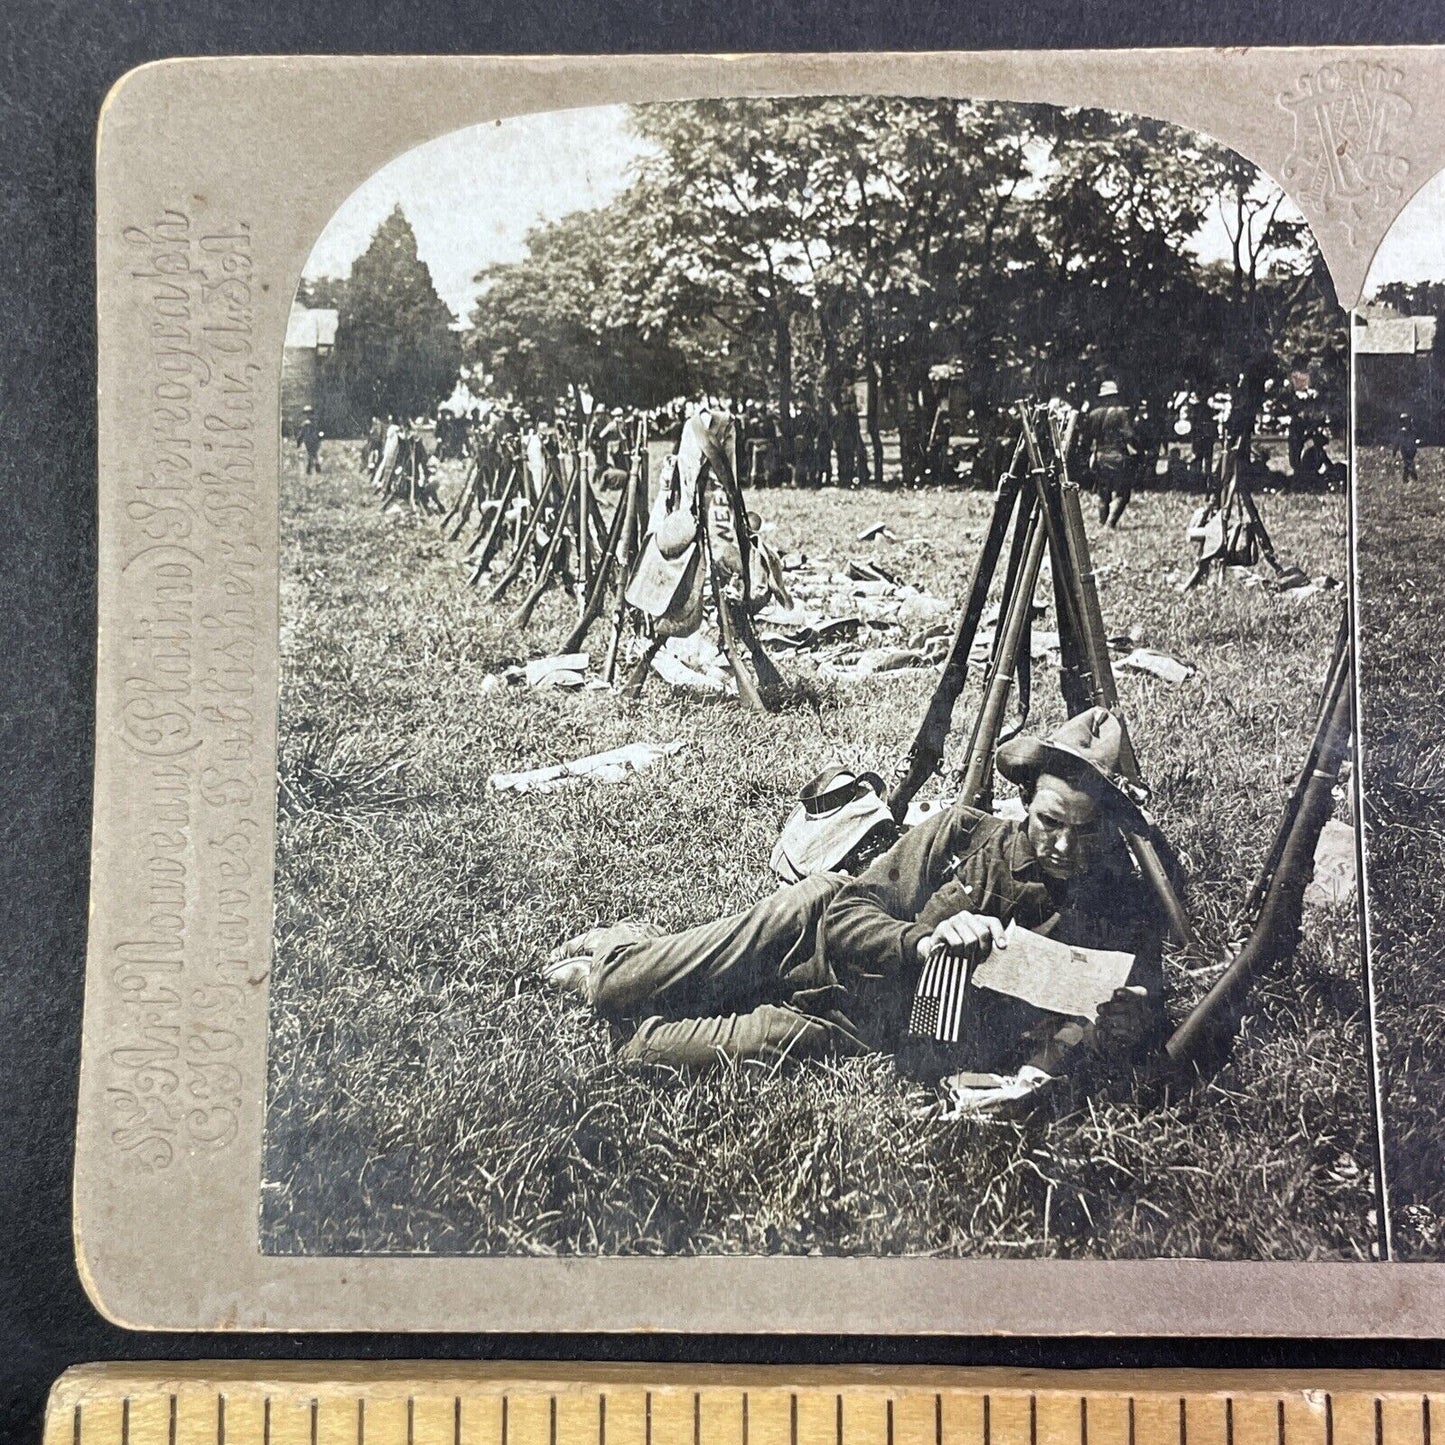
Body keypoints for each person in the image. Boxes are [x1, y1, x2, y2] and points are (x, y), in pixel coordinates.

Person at [542, 708, 1166, 1081]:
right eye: (1049, 822)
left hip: (848, 1021)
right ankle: (620, 950)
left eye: (1085, 834)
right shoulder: (962, 834)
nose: (1062, 847)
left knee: (644, 1053)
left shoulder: (1120, 912)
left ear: (1113, 831)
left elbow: (1126, 1016)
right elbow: (848, 912)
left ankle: (649, 962)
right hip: (804, 930)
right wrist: (924, 942)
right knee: (616, 988)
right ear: (1026, 797)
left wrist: (1129, 1027)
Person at [1080, 380, 1136, 527]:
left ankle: (1102, 522)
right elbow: (1129, 435)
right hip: (1118, 457)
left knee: (1102, 493)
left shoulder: (1094, 414)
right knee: (1122, 493)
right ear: (1114, 396)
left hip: (1100, 457)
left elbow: (1086, 439)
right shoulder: (1120, 413)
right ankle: (1110, 523)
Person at [1393, 412, 1420, 482]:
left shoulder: (1412, 430)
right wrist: (1395, 450)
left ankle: (1407, 478)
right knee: (1409, 463)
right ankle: (1412, 477)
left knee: (1408, 463)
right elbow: (1397, 442)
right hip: (1405, 450)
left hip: (1411, 450)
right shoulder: (1401, 432)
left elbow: (1415, 438)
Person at [296, 405, 323, 474]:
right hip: (315, 440)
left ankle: (310, 468)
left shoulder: (305, 423)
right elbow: (320, 431)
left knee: (311, 454)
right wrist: (320, 437)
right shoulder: (315, 422)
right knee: (314, 454)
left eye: (307, 413)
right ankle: (316, 465)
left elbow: (301, 433)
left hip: (309, 440)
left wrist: (299, 441)